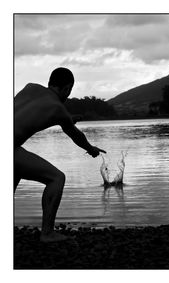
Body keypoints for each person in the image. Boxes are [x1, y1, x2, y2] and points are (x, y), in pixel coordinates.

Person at [14, 67, 106, 242]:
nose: (68, 95)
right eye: (69, 91)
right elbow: (76, 136)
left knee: (16, 170)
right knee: (56, 178)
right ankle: (47, 233)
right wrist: (91, 149)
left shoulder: (30, 87)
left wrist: (68, 119)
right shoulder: (58, 108)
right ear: (67, 88)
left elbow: (30, 115)